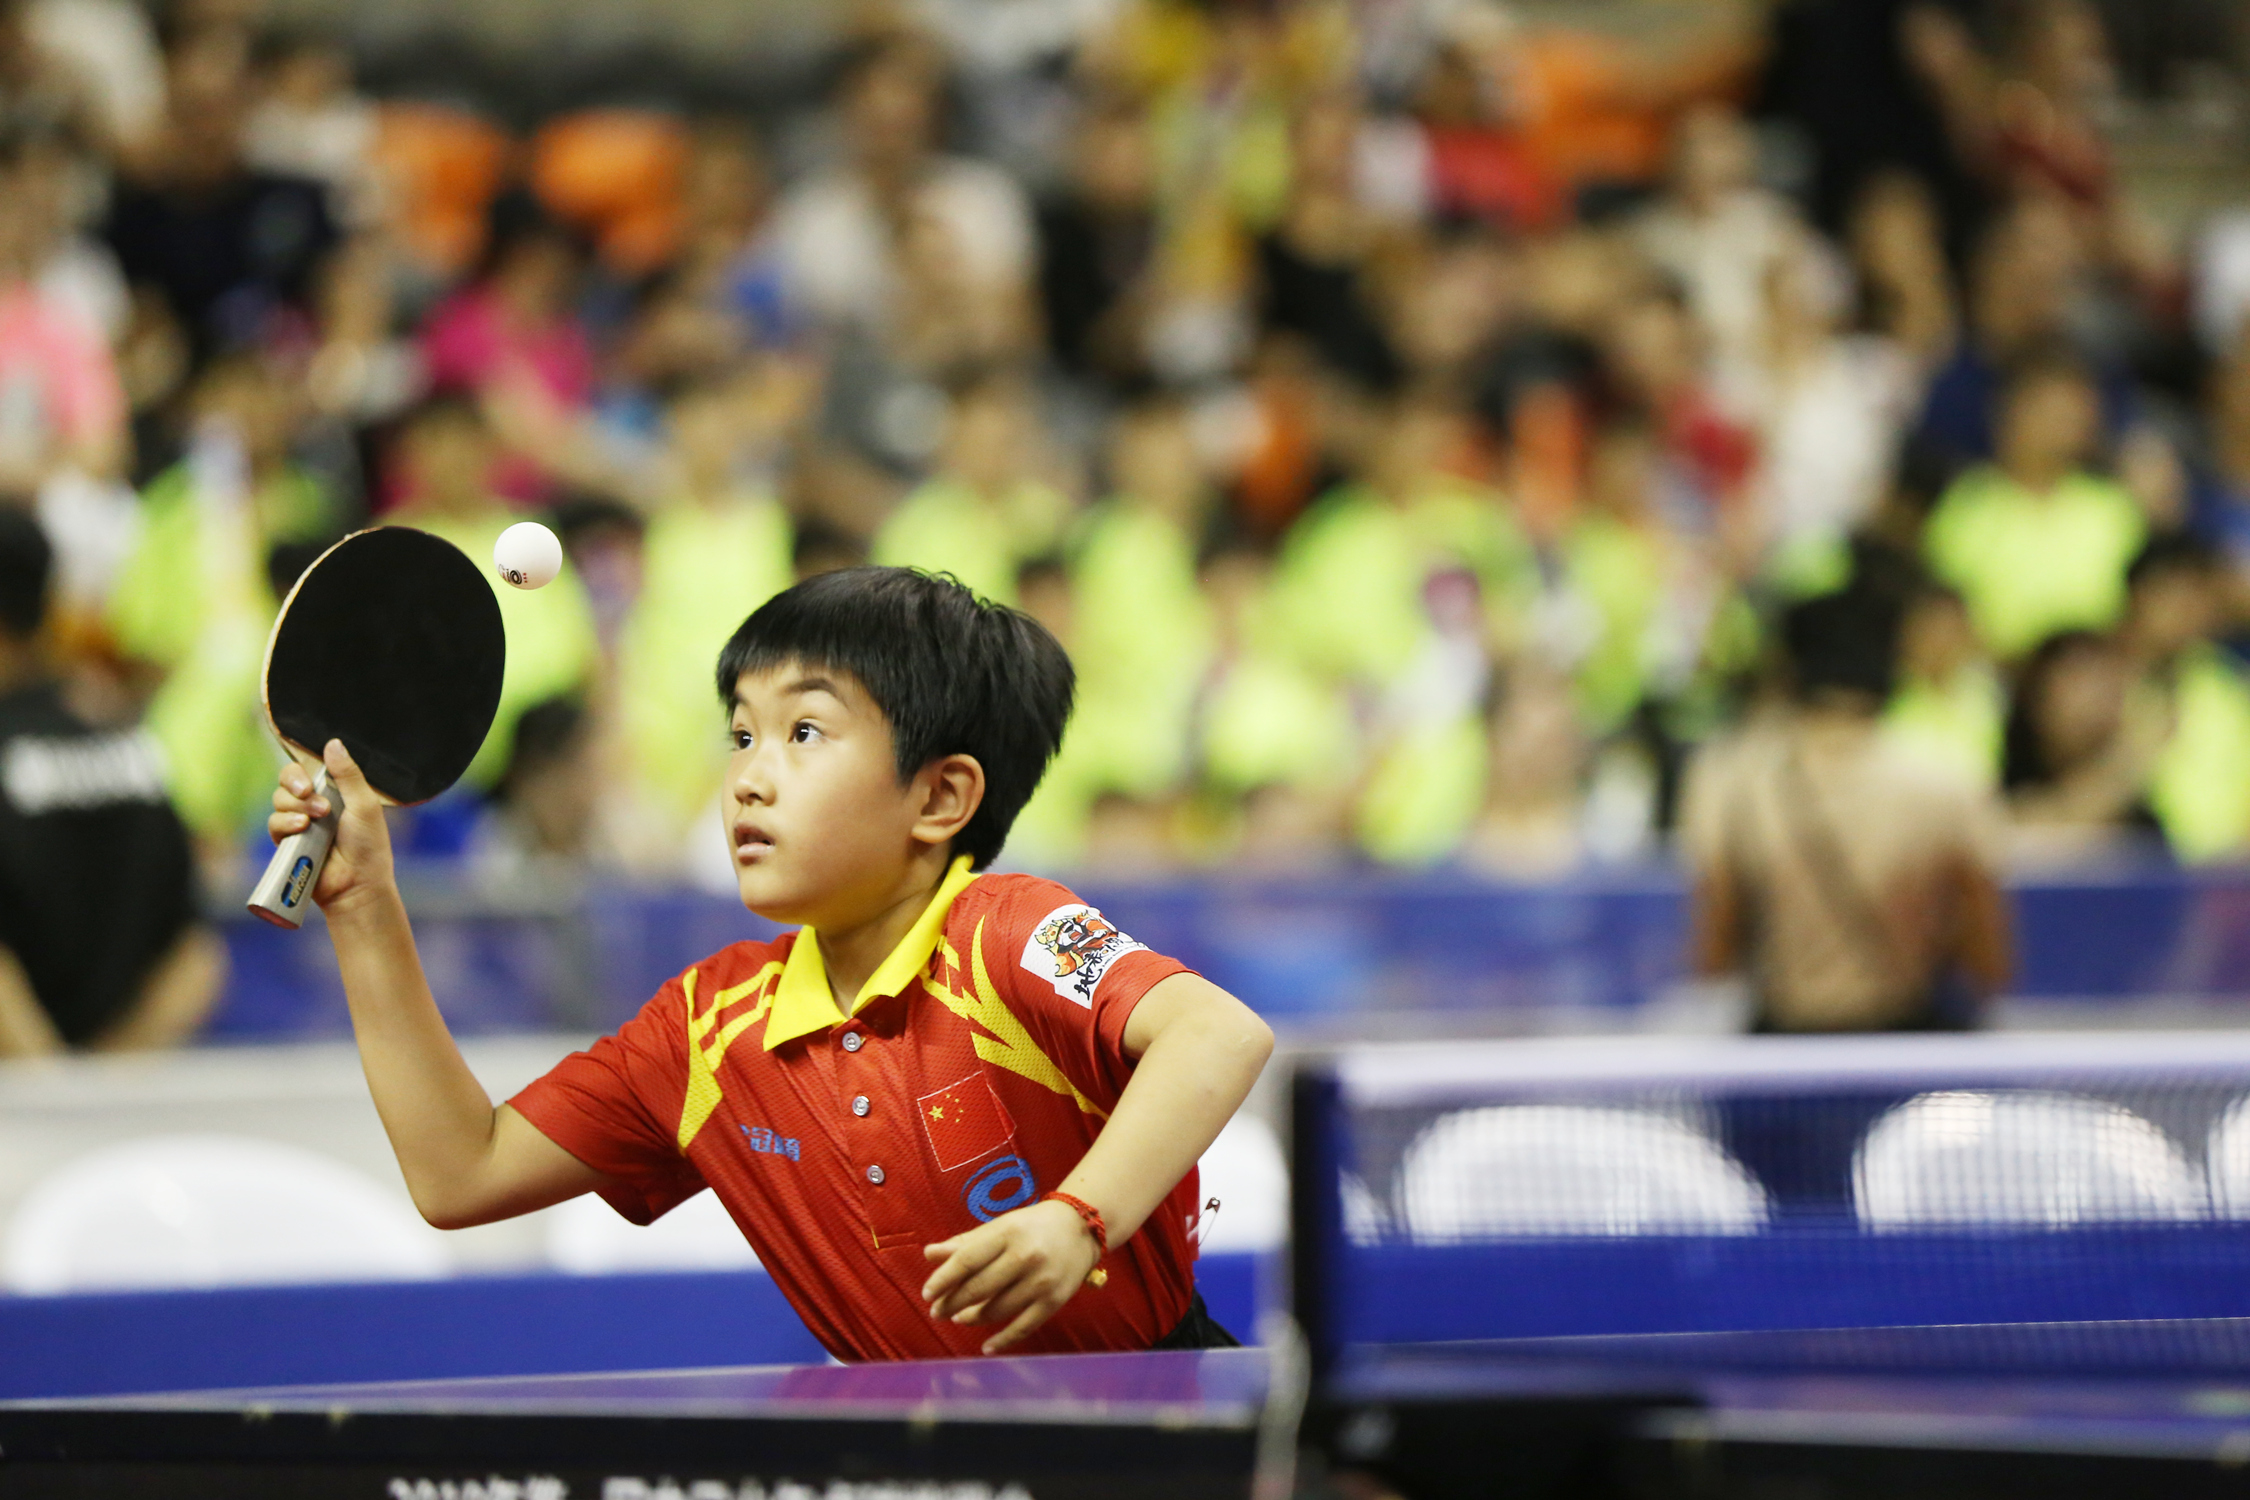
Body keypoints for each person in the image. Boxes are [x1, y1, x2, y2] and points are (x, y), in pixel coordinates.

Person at [266, 567, 1273, 1360]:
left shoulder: (1002, 933)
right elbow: (460, 1171)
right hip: (924, 1470)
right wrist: (366, 907)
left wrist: (1077, 1220)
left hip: (1161, 1434)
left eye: (802, 731)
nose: (748, 776)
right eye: (739, 733)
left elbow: (1218, 1031)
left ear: (940, 798)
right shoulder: (707, 1030)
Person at [1681, 589, 2011, 1034]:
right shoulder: (1948, 778)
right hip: (1911, 1058)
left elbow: (1714, 957)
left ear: (1787, 670)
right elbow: (1989, 964)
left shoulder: (1728, 780)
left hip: (1781, 1062)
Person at [0, 510, 223, 1055]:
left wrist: (51, 1092)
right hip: (117, 1116)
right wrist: (109, 1091)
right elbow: (196, 958)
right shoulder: (129, 747)